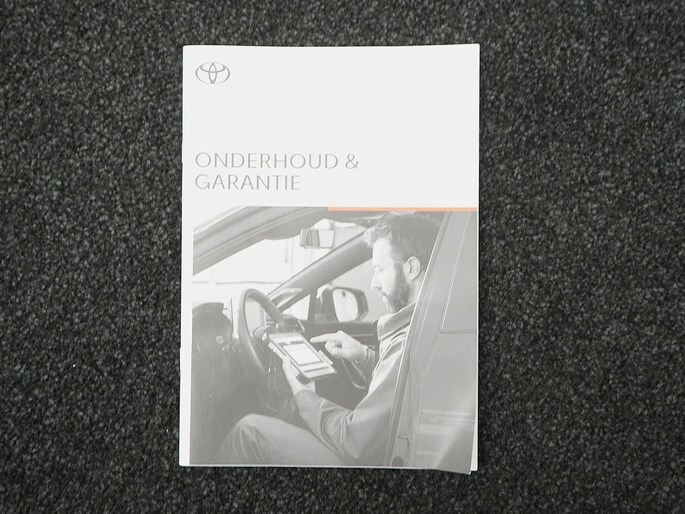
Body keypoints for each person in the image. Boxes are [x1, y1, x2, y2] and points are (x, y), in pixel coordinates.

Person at [218, 213, 441, 465]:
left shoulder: (408, 342)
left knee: (248, 433)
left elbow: (355, 442)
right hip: (384, 451)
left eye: (380, 270)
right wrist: (365, 357)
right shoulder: (424, 326)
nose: (374, 283)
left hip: (374, 461)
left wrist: (305, 396)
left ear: (411, 268)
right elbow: (403, 389)